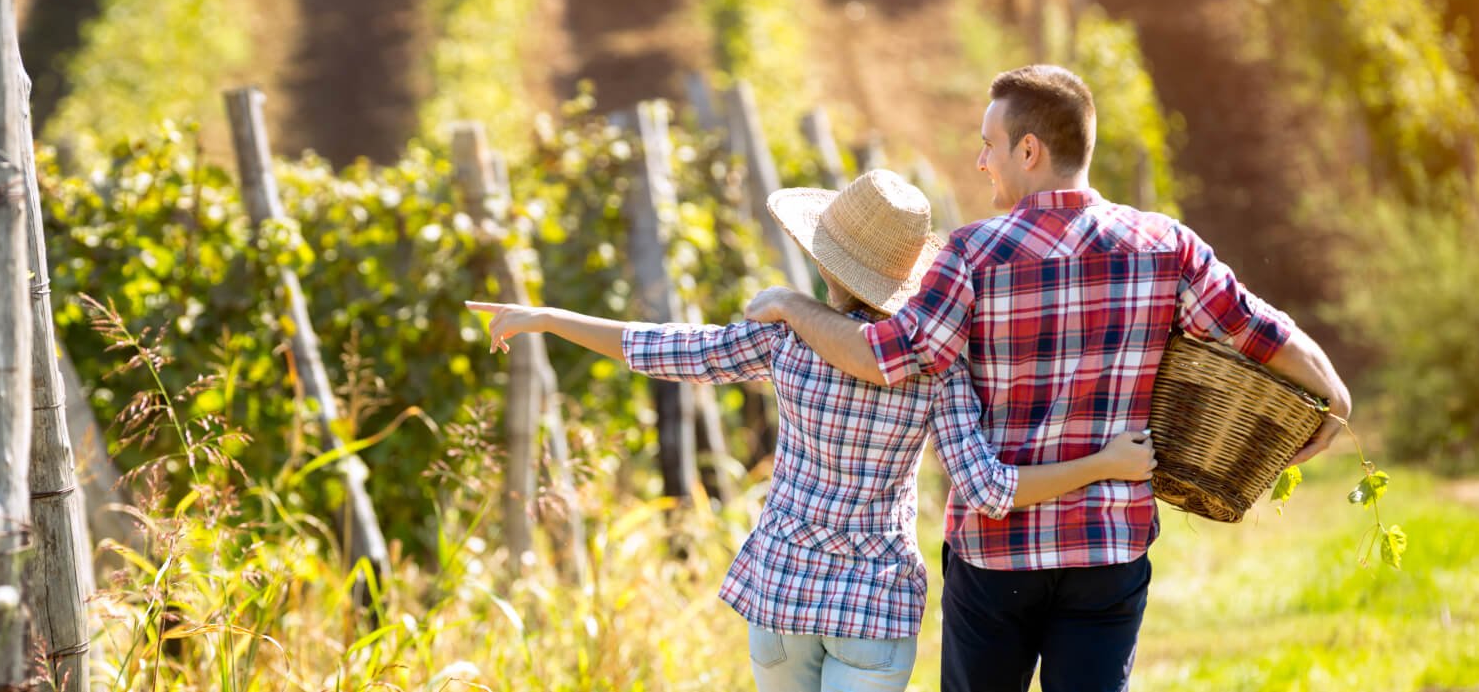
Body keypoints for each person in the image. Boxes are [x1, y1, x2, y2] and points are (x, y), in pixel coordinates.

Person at [743, 65, 1353, 692]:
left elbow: (884, 355)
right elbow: (1254, 326)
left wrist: (794, 307)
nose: (982, 161)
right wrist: (1334, 395)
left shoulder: (972, 254)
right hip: (1108, 548)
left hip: (996, 555)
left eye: (989, 144)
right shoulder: (1164, 244)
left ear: (1028, 150)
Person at [468, 169, 1157, 692]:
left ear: (824, 260)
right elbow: (985, 487)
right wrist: (1103, 462)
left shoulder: (783, 342)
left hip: (782, 589)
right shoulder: (934, 366)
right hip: (873, 602)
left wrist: (549, 316)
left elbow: (660, 347)